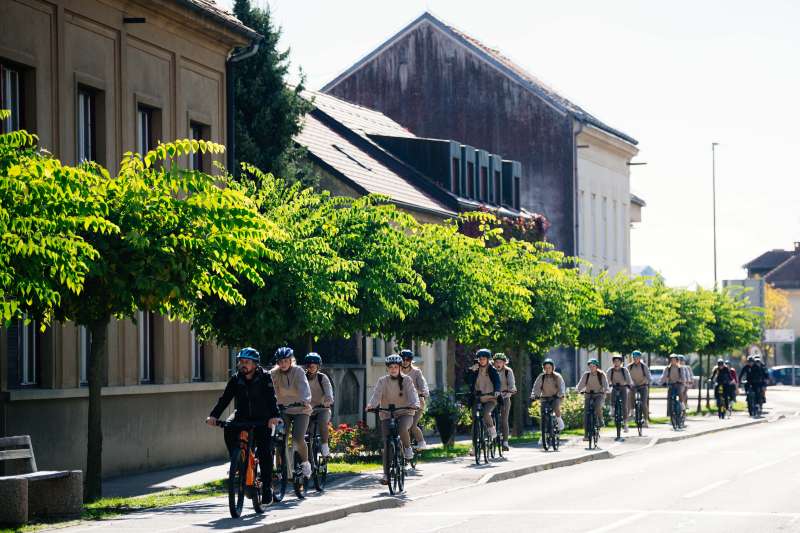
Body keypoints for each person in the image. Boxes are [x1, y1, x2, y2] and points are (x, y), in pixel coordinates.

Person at [206, 347, 281, 503]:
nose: (242, 364)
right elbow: (225, 399)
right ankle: (237, 459)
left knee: (265, 451)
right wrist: (214, 416)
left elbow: (271, 398)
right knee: (228, 427)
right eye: (240, 361)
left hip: (263, 418)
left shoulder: (265, 377)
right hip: (242, 415)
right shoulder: (236, 379)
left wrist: (274, 416)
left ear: (255, 364)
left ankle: (267, 487)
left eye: (246, 362)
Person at [367, 354, 420, 485]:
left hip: (405, 412)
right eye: (390, 367)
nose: (393, 369)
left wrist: (415, 403)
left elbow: (413, 394)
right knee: (387, 444)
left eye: (396, 367)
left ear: (400, 367)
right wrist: (371, 405)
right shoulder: (382, 381)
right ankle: (386, 475)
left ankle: (407, 449)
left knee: (402, 428)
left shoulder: (407, 380)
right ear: (387, 368)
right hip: (387, 413)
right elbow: (376, 395)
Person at [270, 347, 313, 479]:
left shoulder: (298, 371)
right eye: (280, 361)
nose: (282, 364)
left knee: (297, 438)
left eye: (285, 361)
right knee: (279, 438)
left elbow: (304, 387)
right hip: (284, 410)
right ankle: (280, 469)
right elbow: (268, 388)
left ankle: (306, 463)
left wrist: (305, 400)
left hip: (301, 409)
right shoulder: (274, 373)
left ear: (290, 360)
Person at [464, 348, 502, 443]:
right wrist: (470, 371)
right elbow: (467, 381)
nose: (481, 361)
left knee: (486, 413)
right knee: (475, 420)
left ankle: (492, 430)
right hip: (478, 398)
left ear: (488, 359)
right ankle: (474, 446)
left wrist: (497, 390)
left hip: (491, 398)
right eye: (480, 359)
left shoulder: (492, 370)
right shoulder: (475, 369)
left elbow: (497, 382)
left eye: (484, 359)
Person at [304, 352, 334, 458]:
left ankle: (325, 446)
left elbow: (329, 393)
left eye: (314, 365)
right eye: (309, 365)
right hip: (306, 409)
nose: (311, 367)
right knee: (304, 432)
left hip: (322, 408)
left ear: (318, 366)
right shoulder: (302, 378)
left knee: (322, 422)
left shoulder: (322, 378)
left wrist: (328, 401)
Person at [400, 348, 430, 451]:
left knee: (412, 426)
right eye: (403, 359)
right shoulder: (396, 371)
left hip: (417, 404)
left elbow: (423, 386)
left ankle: (421, 442)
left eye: (407, 360)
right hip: (401, 403)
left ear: (410, 361)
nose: (405, 362)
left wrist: (423, 393)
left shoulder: (416, 372)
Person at [576, 359, 610, 440]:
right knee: (586, 414)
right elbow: (581, 384)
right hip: (588, 395)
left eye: (593, 366)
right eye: (590, 366)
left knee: (597, 406)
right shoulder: (586, 375)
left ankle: (601, 420)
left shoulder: (601, 374)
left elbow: (605, 384)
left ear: (596, 366)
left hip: (599, 395)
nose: (592, 368)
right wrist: (577, 390)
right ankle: (586, 435)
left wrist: (606, 389)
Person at [531, 358, 565, 433]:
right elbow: (536, 387)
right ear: (543, 368)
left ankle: (559, 421)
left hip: (555, 397)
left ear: (552, 368)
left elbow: (561, 387)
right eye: (545, 368)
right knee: (543, 415)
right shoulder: (541, 377)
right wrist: (534, 394)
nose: (547, 369)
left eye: (549, 367)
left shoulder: (557, 376)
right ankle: (543, 435)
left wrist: (560, 394)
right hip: (545, 397)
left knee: (556, 407)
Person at [493, 353, 517, 451]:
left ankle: (505, 442)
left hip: (505, 397)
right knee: (489, 416)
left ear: (504, 363)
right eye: (496, 362)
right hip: (492, 397)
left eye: (500, 362)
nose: (498, 364)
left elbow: (512, 384)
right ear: (493, 363)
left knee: (504, 419)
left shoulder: (508, 371)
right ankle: (490, 437)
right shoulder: (491, 370)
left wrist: (511, 390)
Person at [606, 354, 634, 434]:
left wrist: (630, 384)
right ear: (613, 362)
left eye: (618, 361)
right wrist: (606, 387)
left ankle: (625, 424)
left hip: (623, 387)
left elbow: (628, 378)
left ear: (621, 362)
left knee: (624, 405)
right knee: (612, 393)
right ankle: (612, 409)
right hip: (614, 387)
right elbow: (607, 380)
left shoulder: (624, 370)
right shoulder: (610, 370)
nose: (616, 363)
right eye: (615, 361)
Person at [627, 350, 652, 427]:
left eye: (637, 358)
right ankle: (632, 410)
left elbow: (648, 376)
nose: (635, 359)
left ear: (640, 358)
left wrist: (648, 381)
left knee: (644, 403)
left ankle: (646, 420)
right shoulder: (629, 366)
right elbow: (626, 376)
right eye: (634, 358)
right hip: (633, 386)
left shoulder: (643, 366)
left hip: (643, 386)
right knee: (630, 395)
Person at [660, 354, 685, 422]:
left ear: (677, 360)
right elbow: (664, 376)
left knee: (680, 393)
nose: (673, 361)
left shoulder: (680, 368)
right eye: (671, 360)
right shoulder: (668, 368)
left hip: (679, 384)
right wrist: (662, 382)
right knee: (669, 396)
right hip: (671, 384)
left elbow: (683, 377)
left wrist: (681, 381)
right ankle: (670, 412)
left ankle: (682, 405)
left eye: (674, 360)